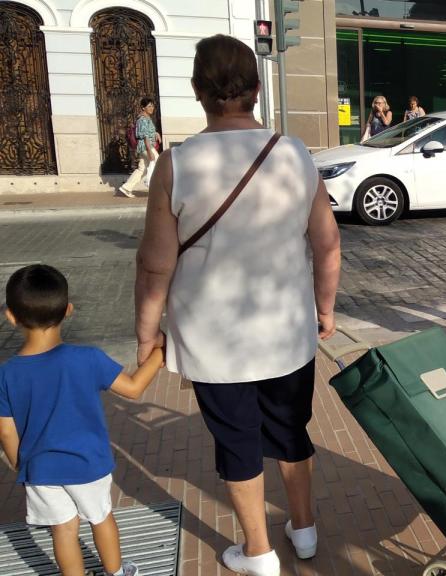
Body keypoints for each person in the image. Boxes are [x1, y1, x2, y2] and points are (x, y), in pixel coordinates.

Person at [134, 35, 340, 576]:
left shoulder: (176, 164)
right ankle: (305, 531)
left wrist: (147, 333)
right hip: (286, 329)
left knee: (237, 441)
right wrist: (324, 309)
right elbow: (327, 245)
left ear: (198, 90)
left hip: (212, 341)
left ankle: (258, 552)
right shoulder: (294, 153)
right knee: (291, 430)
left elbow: (155, 266)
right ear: (256, 90)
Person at [0, 264, 165, 576]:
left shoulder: (6, 374)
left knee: (63, 530)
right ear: (68, 310)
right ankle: (116, 572)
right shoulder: (88, 358)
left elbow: (6, 432)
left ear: (11, 316)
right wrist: (160, 351)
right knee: (100, 518)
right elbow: (133, 388)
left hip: (40, 469)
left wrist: (22, 465)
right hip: (88, 464)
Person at [118, 97, 161, 199]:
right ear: (143, 107)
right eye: (149, 106)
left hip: (144, 147)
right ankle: (156, 189)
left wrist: (156, 133)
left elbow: (148, 132)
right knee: (158, 164)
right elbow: (144, 136)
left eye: (152, 106)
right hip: (146, 147)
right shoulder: (142, 119)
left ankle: (126, 188)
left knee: (142, 169)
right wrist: (150, 151)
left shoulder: (146, 118)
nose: (152, 108)